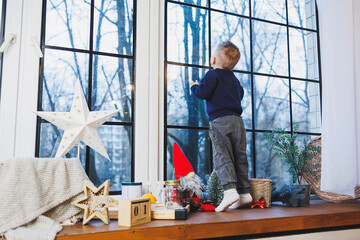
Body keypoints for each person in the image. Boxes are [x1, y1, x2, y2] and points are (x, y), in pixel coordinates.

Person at [190, 41, 252, 212]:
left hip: (220, 121)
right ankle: (245, 193)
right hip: (237, 121)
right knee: (240, 156)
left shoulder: (212, 75)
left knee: (222, 155)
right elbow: (241, 93)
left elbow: (203, 93)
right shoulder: (233, 78)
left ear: (214, 59)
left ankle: (230, 190)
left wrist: (194, 87)